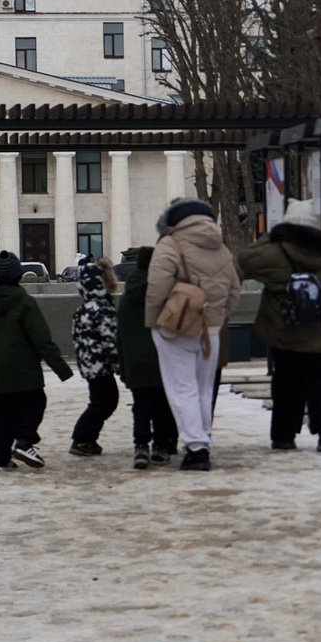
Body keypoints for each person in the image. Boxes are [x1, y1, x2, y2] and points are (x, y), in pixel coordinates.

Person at [236, 218, 321, 452]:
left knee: (285, 381)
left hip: (285, 329)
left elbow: (244, 260)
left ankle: (284, 435)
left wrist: (271, 236)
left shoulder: (275, 253)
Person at [143, 197, 240, 471]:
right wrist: (217, 318)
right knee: (203, 388)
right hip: (211, 329)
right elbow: (234, 291)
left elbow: (156, 288)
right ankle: (202, 441)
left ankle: (195, 447)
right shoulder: (220, 248)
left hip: (176, 327)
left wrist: (154, 323)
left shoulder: (169, 244)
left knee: (181, 388)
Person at [0, 250, 70, 469]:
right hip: (24, 372)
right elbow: (41, 338)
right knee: (34, 403)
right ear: (18, 275)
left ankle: (0, 457)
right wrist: (61, 368)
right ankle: (24, 442)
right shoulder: (24, 302)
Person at [117, 245, 176, 470]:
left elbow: (120, 334)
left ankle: (140, 446)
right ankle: (161, 448)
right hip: (162, 358)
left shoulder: (126, 296)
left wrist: (123, 365)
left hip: (136, 361)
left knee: (140, 405)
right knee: (161, 405)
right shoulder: (164, 293)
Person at [69, 254, 123, 455]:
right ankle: (82, 439)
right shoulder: (103, 309)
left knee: (101, 401)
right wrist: (120, 366)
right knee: (105, 402)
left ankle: (85, 439)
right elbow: (111, 341)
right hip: (102, 365)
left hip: (89, 365)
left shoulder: (82, 310)